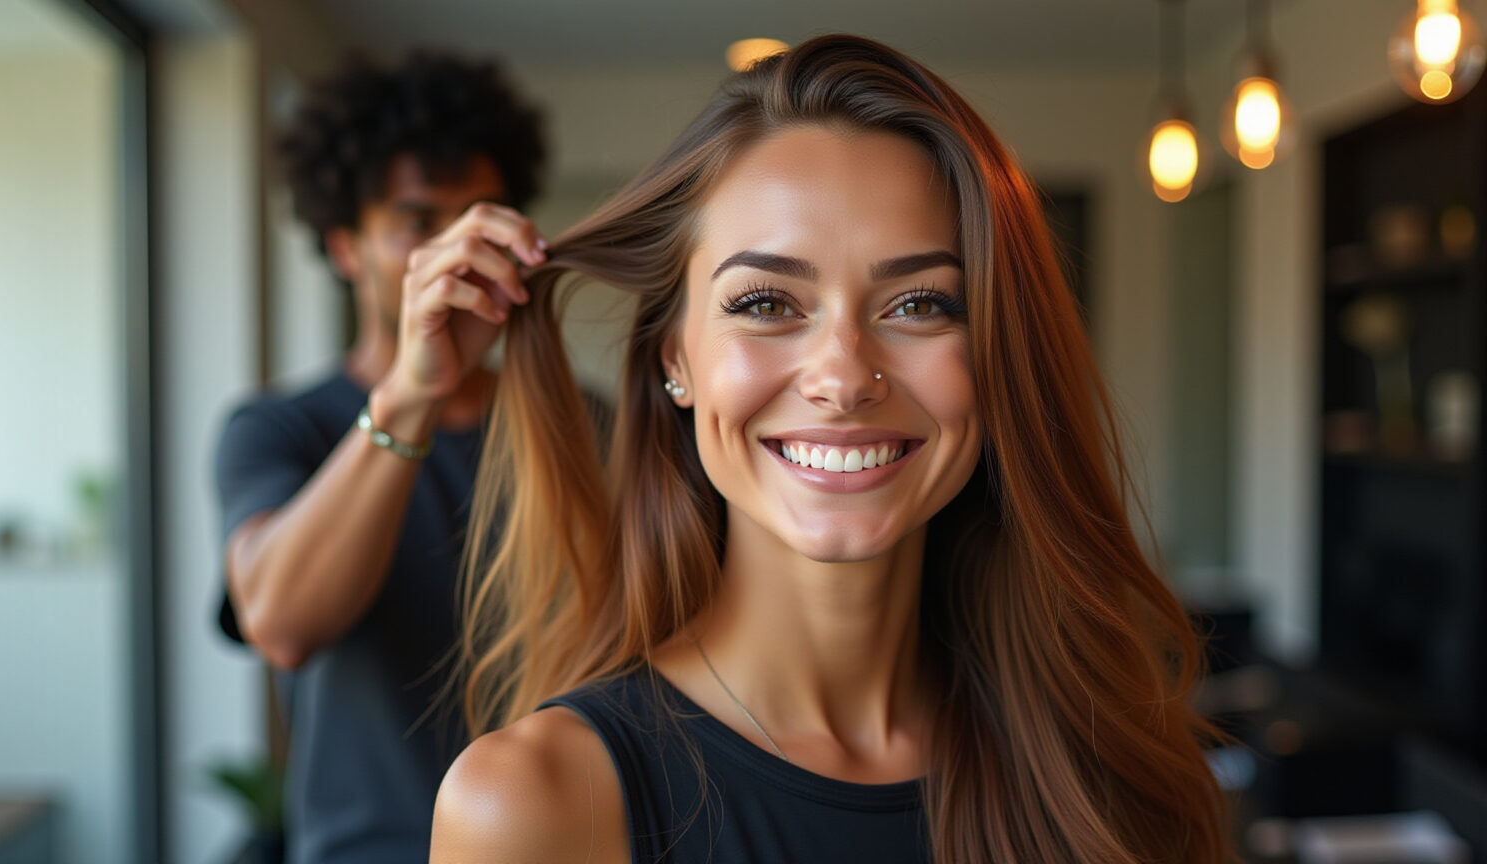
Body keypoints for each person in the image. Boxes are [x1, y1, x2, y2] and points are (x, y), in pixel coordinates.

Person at [428, 34, 1230, 864]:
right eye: (769, 302)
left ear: (996, 360)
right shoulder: (533, 804)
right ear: (676, 358)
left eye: (920, 304)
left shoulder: (1105, 769)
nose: (844, 378)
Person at [213, 52, 547, 864]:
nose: (458, 249)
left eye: (481, 215)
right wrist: (412, 393)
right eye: (418, 221)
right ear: (345, 247)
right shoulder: (279, 429)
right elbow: (282, 625)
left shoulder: (584, 427)